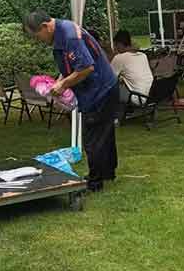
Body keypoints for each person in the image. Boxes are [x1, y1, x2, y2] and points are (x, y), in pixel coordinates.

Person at [24, 11, 120, 192]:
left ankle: (94, 182)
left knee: (93, 138)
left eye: (37, 36)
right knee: (104, 134)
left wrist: (63, 85)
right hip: (104, 87)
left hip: (100, 90)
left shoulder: (69, 37)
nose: (39, 40)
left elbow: (86, 68)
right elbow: (71, 67)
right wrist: (59, 81)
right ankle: (108, 172)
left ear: (45, 27)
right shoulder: (62, 32)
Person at [111, 29, 153, 106]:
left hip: (138, 97)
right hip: (150, 95)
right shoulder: (143, 55)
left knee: (108, 89)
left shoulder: (119, 58)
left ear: (120, 44)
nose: (115, 48)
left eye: (115, 45)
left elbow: (110, 79)